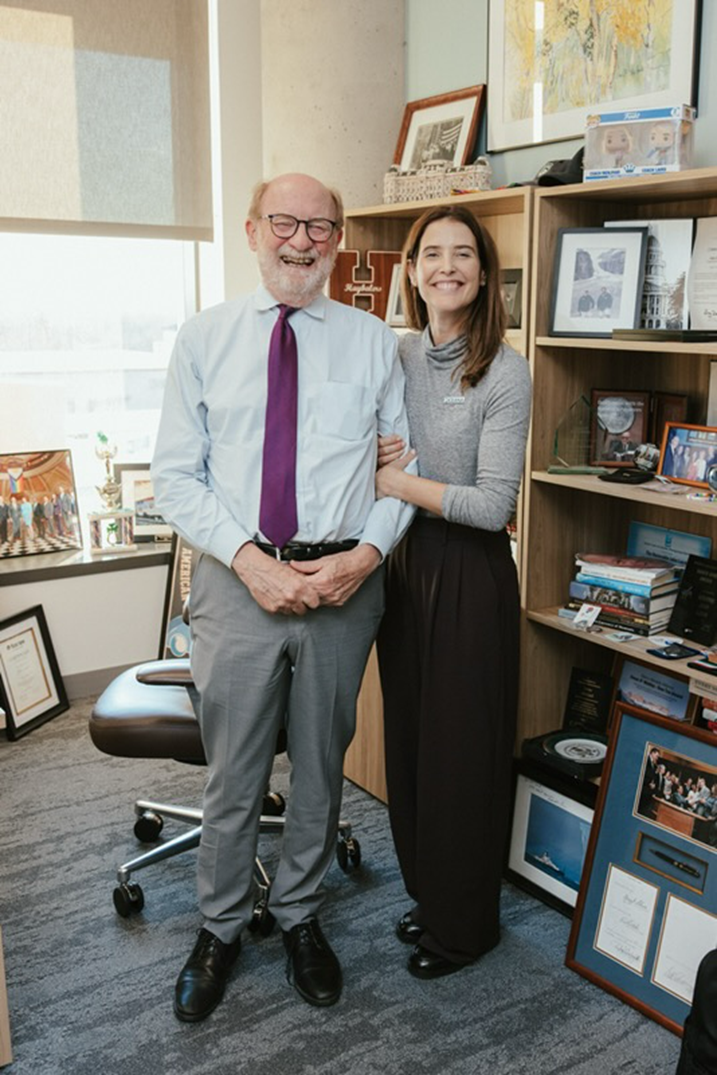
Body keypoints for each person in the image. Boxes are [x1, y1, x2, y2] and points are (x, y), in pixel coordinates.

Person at [151, 172, 414, 1022]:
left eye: (320, 227)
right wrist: (247, 560)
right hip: (237, 583)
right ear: (251, 229)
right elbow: (173, 478)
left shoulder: (375, 341)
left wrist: (365, 554)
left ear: (338, 239)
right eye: (284, 223)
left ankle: (299, 914)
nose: (301, 241)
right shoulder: (204, 337)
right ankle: (220, 926)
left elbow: (397, 471)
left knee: (318, 764)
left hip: (344, 584)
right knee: (234, 770)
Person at [373, 205, 532, 978]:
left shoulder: (504, 368)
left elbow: (491, 506)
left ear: (483, 270)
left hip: (469, 575)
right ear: (410, 271)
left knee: (460, 758)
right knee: (410, 746)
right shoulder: (397, 355)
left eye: (462, 253)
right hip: (401, 563)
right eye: (430, 253)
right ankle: (432, 894)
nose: (446, 266)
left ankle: (466, 927)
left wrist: (399, 477)